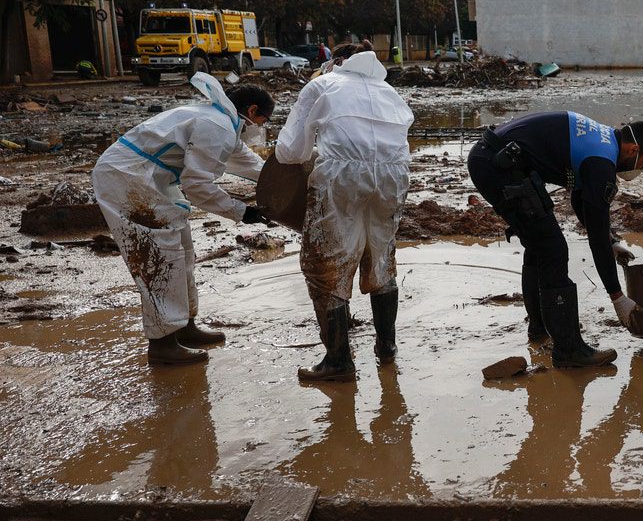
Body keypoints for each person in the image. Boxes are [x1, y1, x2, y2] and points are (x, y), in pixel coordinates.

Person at [92, 73, 273, 365]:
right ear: (252, 111)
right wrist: (243, 212)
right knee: (160, 258)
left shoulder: (223, 124)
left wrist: (281, 180)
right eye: (264, 121)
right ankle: (162, 343)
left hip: (149, 179)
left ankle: (185, 327)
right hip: (127, 178)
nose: (261, 128)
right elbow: (197, 186)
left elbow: (251, 164)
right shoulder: (216, 126)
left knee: (184, 250)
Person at [467, 112, 643, 368]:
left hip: (495, 158)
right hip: (498, 166)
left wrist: (611, 240)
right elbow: (595, 237)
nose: (639, 170)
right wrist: (618, 297)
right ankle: (569, 350)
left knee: (540, 245)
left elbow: (579, 200)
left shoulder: (602, 139)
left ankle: (540, 327)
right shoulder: (601, 162)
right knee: (553, 249)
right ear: (633, 149)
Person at [276, 40, 413, 383]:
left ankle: (338, 360)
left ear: (336, 62)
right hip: (395, 176)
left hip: (341, 176)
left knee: (325, 264)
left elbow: (289, 152)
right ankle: (387, 347)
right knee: (380, 256)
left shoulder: (322, 84)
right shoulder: (387, 90)